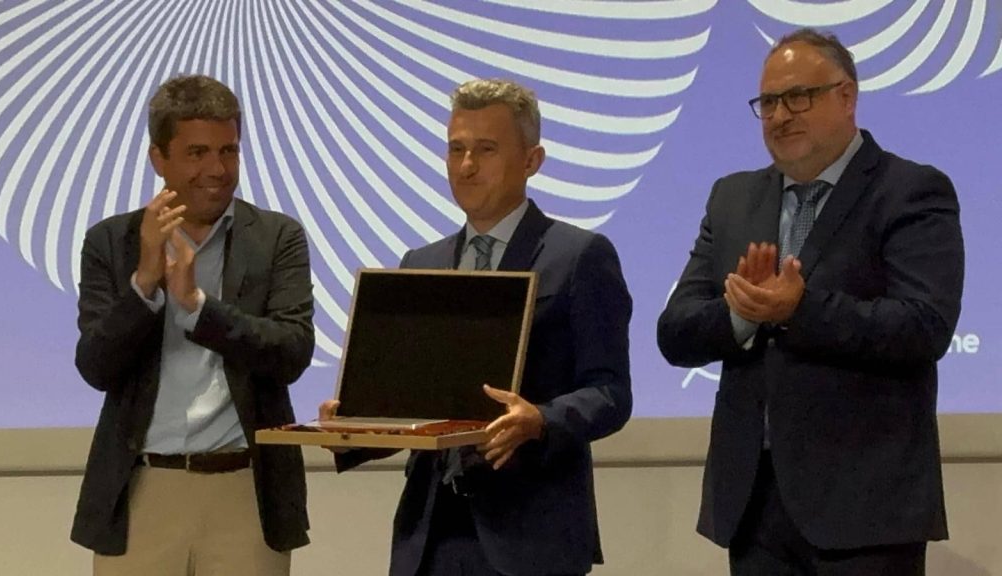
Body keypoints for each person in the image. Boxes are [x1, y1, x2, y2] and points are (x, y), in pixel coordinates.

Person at [657, 28, 964, 575]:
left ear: (846, 96)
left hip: (866, 510)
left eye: (798, 97)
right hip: (754, 507)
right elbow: (675, 332)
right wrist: (741, 314)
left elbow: (924, 326)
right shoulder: (732, 198)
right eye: (769, 102)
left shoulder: (910, 190)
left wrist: (800, 310)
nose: (780, 115)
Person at [324, 78, 633, 576]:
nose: (466, 166)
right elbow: (414, 405)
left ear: (532, 160)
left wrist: (541, 420)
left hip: (531, 537)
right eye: (456, 149)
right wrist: (352, 426)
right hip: (429, 537)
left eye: (486, 150)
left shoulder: (580, 257)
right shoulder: (420, 264)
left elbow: (611, 392)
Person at [70, 74, 314, 576]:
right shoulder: (111, 242)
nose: (217, 170)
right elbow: (95, 365)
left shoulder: (276, 237)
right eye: (197, 153)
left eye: (229, 151)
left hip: (245, 491)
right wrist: (145, 285)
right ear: (158, 158)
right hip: (142, 491)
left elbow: (292, 351)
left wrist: (198, 306)